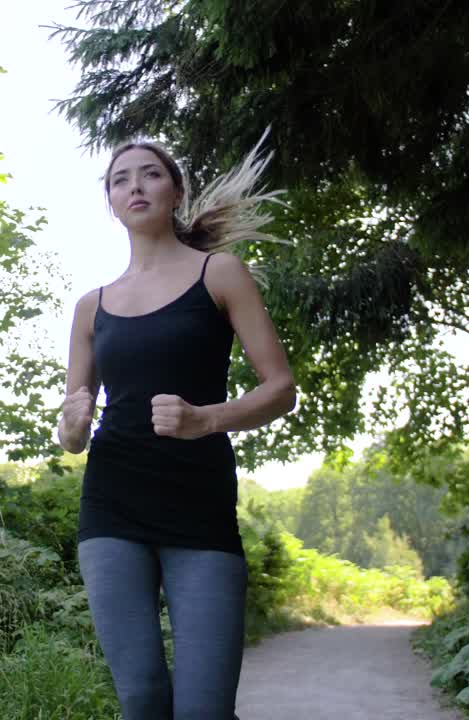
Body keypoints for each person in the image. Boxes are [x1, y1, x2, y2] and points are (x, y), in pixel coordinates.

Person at [56, 134, 297, 720]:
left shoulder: (221, 274)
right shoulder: (91, 306)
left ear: (176, 191)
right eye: (120, 180)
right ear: (112, 204)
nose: (134, 186)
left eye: (150, 174)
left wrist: (204, 419)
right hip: (112, 504)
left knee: (203, 709)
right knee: (141, 698)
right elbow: (72, 433)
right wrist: (72, 423)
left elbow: (280, 389)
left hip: (199, 501)